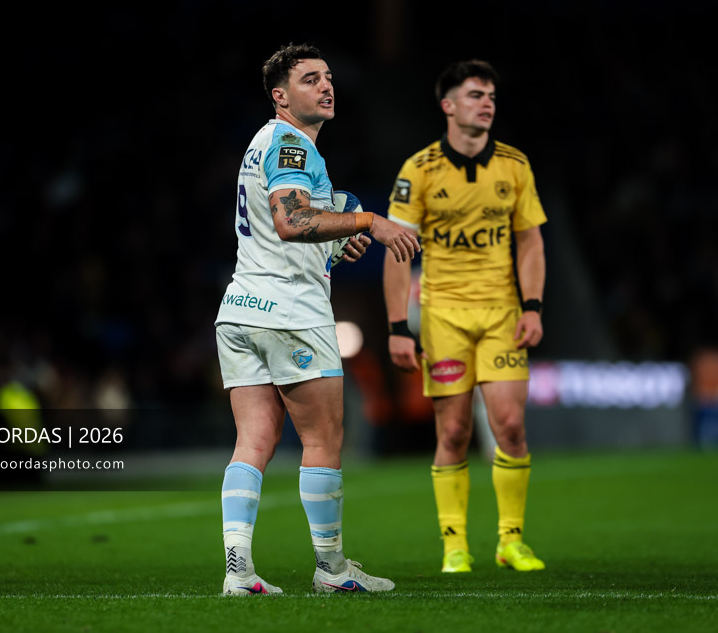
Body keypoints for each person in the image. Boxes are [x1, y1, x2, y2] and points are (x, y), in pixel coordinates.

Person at [214, 43, 420, 595]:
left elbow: (287, 224)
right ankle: (332, 570)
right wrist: (369, 220)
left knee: (253, 441)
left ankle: (239, 571)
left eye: (327, 77)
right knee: (323, 438)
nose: (326, 86)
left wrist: (334, 242)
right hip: (290, 312)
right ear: (280, 97)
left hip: (241, 309)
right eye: (310, 79)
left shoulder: (266, 143)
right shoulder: (290, 142)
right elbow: (290, 220)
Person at [383, 60, 548, 574]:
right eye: (476, 94)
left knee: (510, 425)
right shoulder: (419, 169)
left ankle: (510, 540)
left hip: (501, 314)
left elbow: (530, 242)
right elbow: (397, 251)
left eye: (492, 96)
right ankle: (455, 545)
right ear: (448, 106)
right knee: (453, 431)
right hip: (444, 317)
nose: (487, 103)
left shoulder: (514, 165)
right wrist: (397, 327)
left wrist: (533, 306)